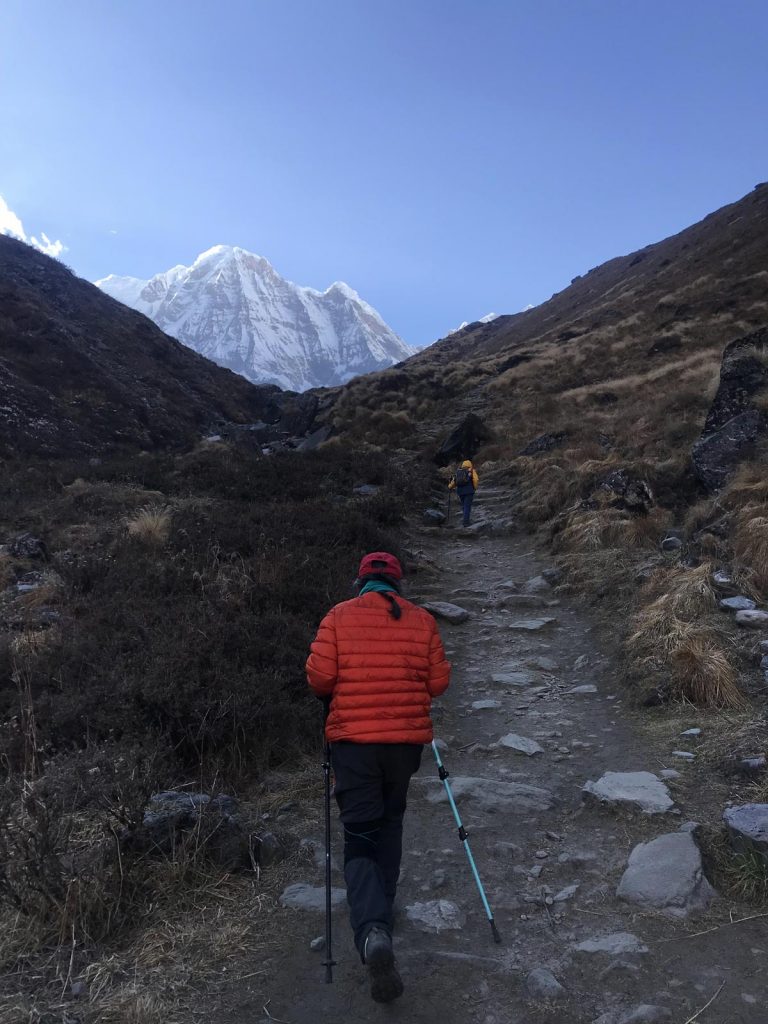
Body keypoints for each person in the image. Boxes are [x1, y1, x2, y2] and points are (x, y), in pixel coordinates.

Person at [306, 551, 451, 1003]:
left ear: (361, 582)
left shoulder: (337, 616)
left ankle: (372, 930)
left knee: (360, 836)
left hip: (353, 747)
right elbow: (439, 682)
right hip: (403, 746)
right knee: (391, 823)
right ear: (397, 583)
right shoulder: (422, 620)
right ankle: (382, 908)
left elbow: (320, 679)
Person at [448, 459, 479, 527]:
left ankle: (465, 520)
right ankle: (466, 522)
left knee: (464, 506)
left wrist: (450, 486)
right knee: (467, 507)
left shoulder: (458, 472)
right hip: (469, 491)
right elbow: (476, 480)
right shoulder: (471, 470)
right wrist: (475, 488)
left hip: (460, 492)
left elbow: (454, 482)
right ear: (470, 464)